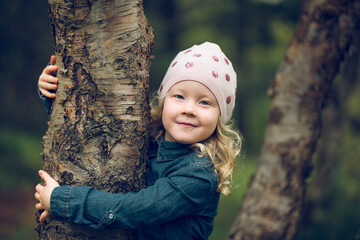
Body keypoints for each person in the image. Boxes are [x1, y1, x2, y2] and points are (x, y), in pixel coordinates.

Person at [35, 42, 242, 239]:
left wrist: (63, 201)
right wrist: (54, 89)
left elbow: (136, 209)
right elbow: (90, 130)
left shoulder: (200, 174)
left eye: (204, 102)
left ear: (219, 117)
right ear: (163, 100)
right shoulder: (147, 137)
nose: (189, 109)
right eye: (179, 96)